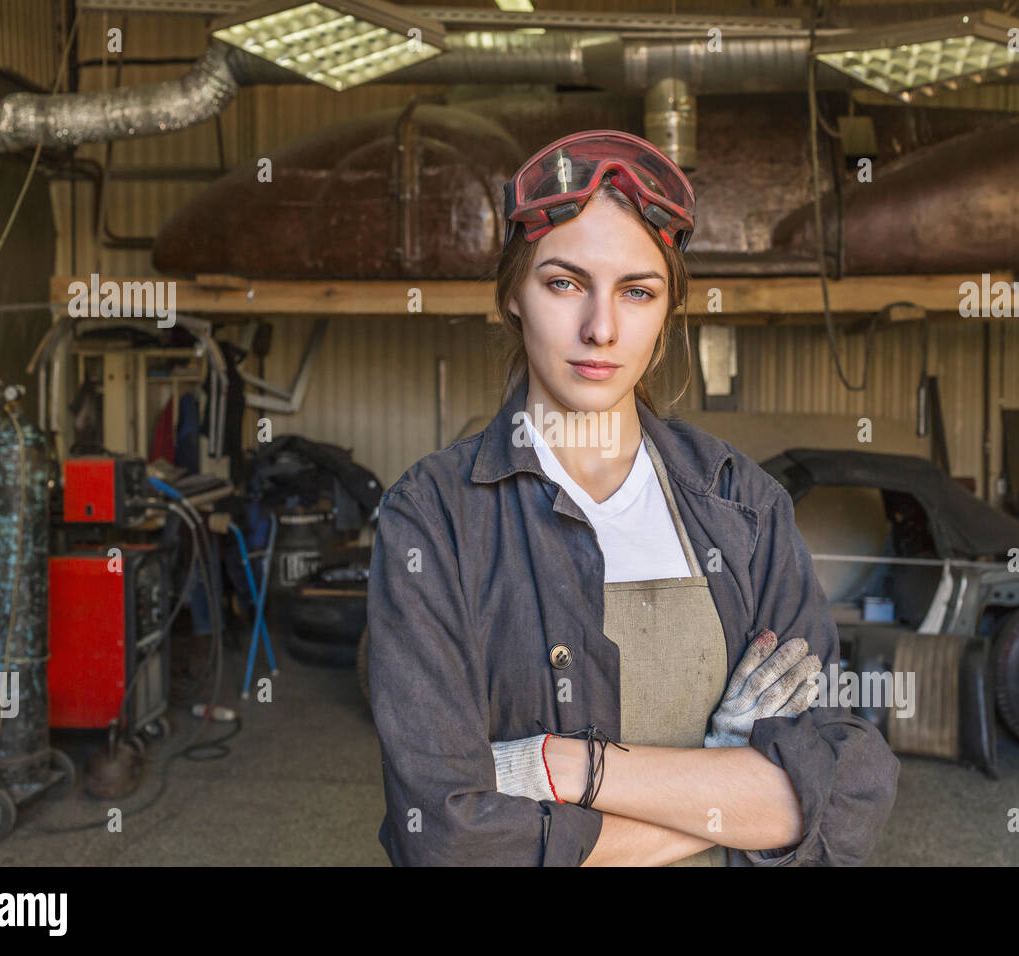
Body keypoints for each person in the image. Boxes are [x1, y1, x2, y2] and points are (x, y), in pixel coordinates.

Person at [367, 129, 899, 866]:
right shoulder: (433, 520)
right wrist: (725, 793)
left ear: (666, 310)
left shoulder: (742, 506)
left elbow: (847, 790)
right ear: (514, 298)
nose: (601, 328)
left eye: (637, 292)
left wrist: (569, 767)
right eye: (563, 283)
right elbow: (453, 840)